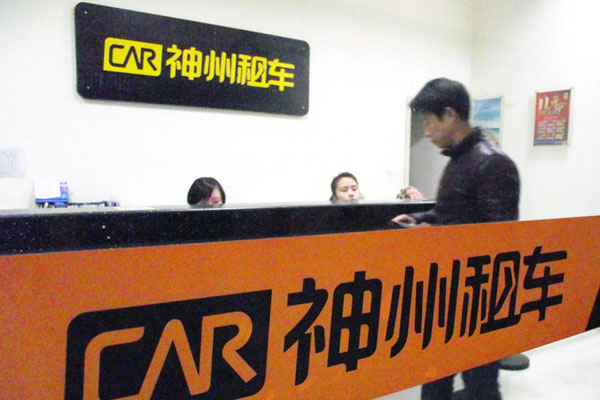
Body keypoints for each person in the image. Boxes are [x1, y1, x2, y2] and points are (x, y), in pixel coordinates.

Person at [392, 78, 520, 400]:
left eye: (429, 121)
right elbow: (451, 213)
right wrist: (419, 218)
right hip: (448, 295)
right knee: (435, 381)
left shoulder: (492, 163)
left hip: (479, 302)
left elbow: (499, 240)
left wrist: (436, 236)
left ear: (449, 114)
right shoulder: (460, 159)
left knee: (481, 387)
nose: (426, 131)